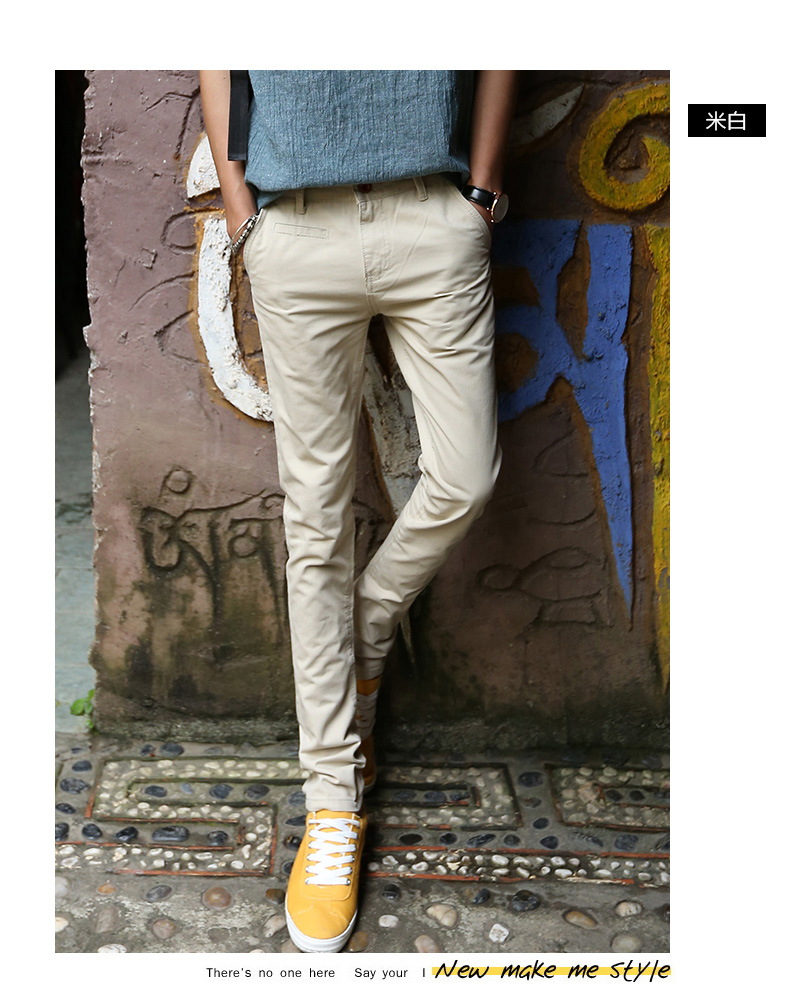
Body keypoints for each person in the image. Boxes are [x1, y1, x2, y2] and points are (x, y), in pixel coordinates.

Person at [199, 69, 518, 952]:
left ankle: (369, 623)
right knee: (316, 520)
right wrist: (242, 212)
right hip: (295, 229)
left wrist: (481, 191)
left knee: (466, 475)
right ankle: (332, 803)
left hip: (431, 216)